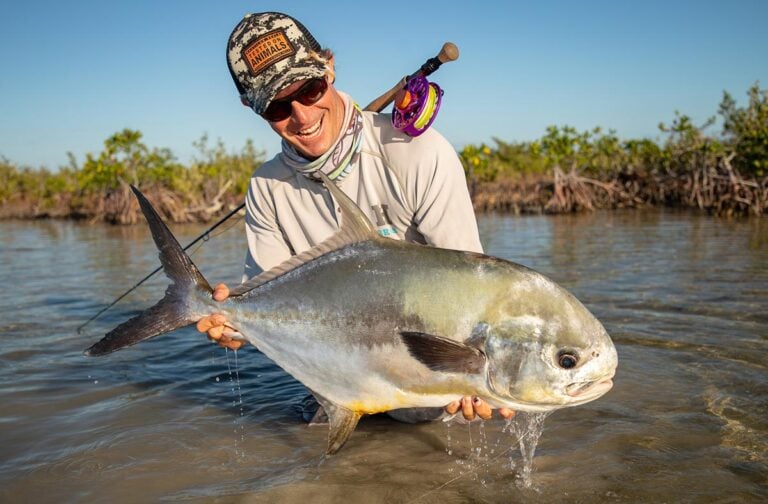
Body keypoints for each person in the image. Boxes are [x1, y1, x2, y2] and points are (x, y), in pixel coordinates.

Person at [197, 11, 514, 423]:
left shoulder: (420, 155)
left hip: (431, 399)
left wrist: (479, 377)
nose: (303, 117)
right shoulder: (266, 187)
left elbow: (474, 294)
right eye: (277, 106)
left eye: (310, 89)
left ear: (329, 67)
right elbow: (268, 304)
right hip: (334, 387)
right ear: (250, 107)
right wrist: (236, 327)